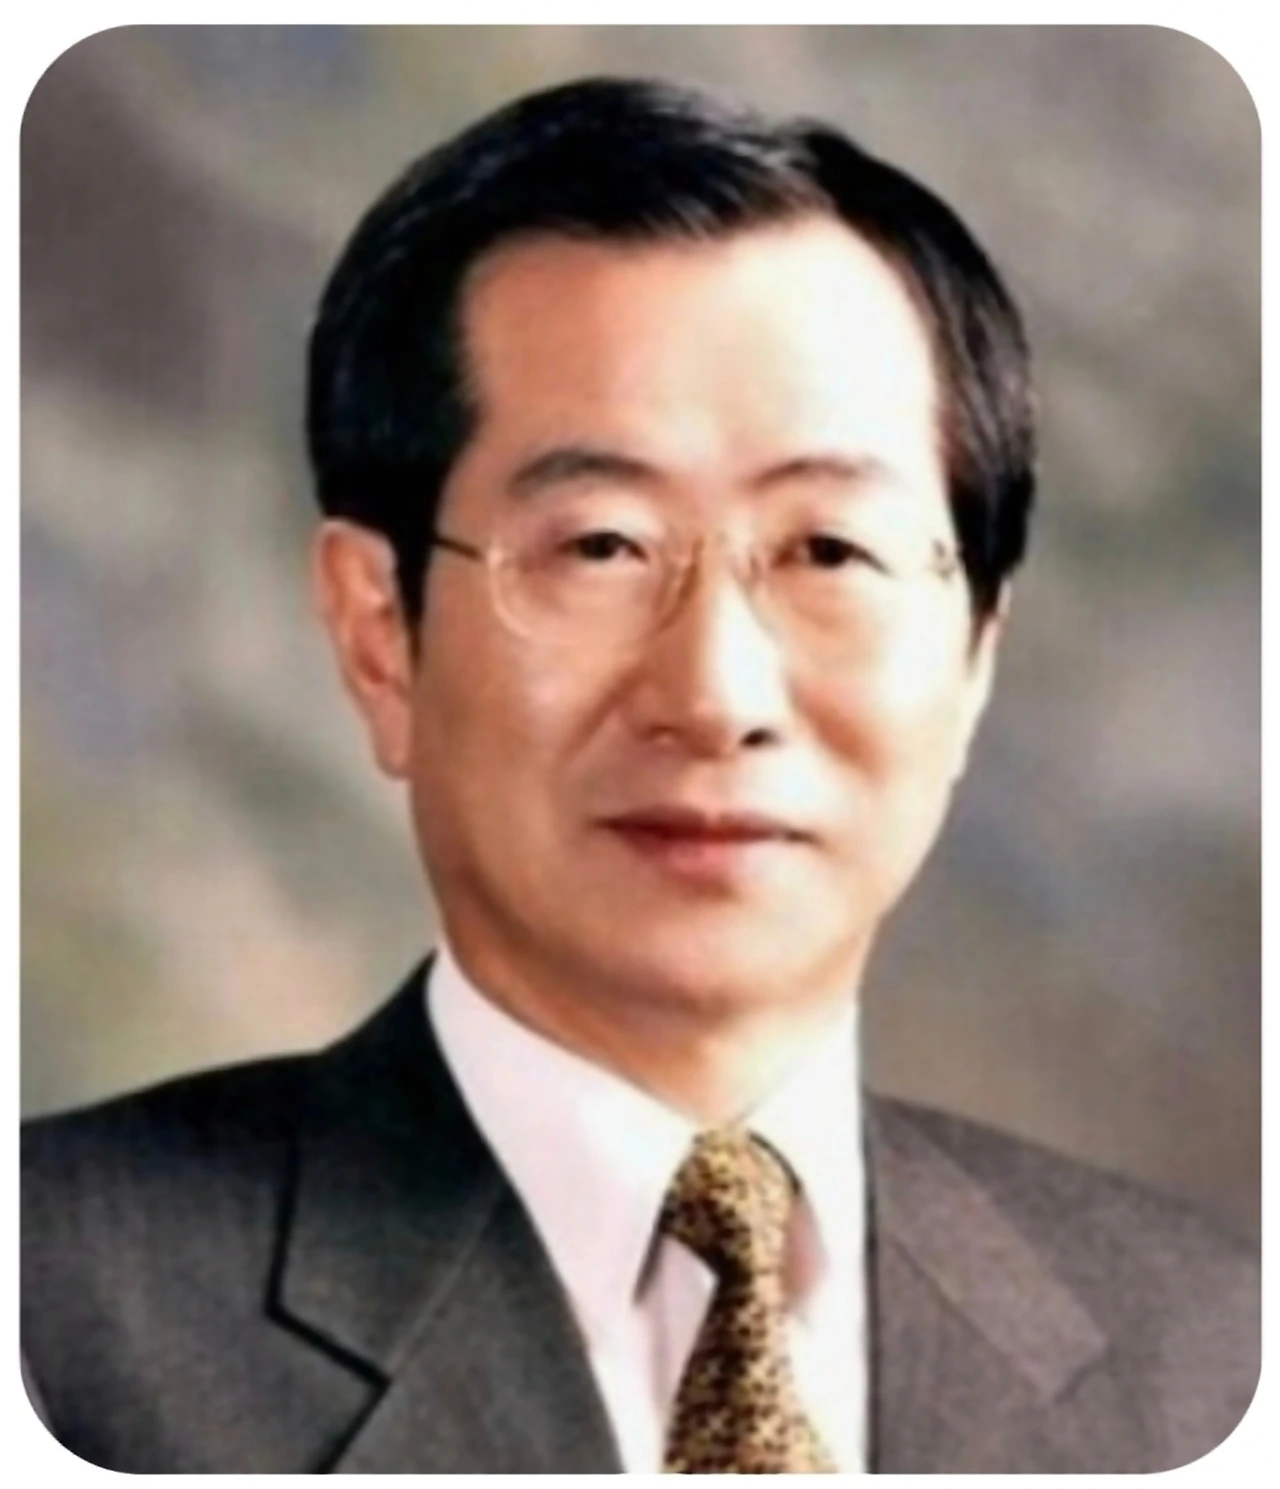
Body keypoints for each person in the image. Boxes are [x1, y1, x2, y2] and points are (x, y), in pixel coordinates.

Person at [21, 76, 1258, 1474]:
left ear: (975, 653)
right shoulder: (54, 1308)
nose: (717, 697)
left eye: (829, 551)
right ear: (380, 638)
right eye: (601, 546)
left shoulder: (1209, 1349)